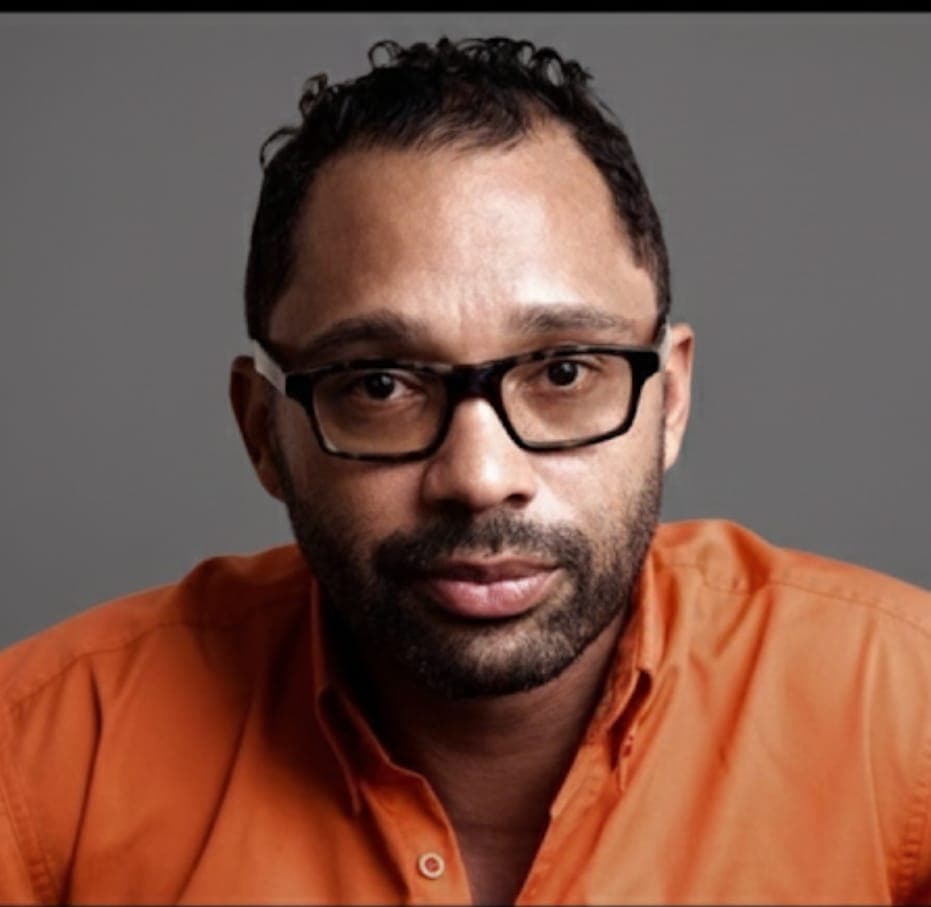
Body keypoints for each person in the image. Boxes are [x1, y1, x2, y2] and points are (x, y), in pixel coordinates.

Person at [0, 35, 928, 906]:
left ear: (669, 398)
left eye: (563, 372)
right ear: (262, 431)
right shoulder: (39, 757)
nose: (480, 477)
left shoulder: (903, 712)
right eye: (379, 383)